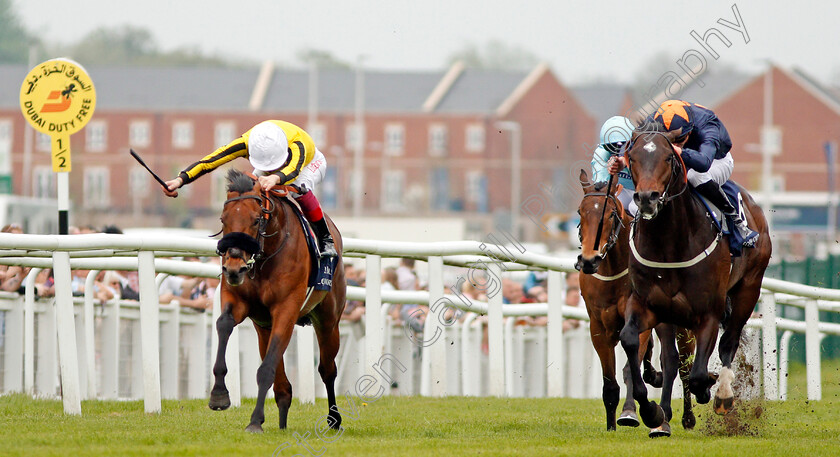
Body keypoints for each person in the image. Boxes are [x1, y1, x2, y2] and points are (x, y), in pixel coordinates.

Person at [163, 120, 336, 258]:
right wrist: (180, 180)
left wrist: (275, 177)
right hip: (279, 164)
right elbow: (210, 161)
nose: (271, 168)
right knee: (251, 189)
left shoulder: (299, 144)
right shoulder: (245, 142)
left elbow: (294, 170)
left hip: (309, 164)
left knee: (297, 188)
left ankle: (325, 237)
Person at [609, 100, 758, 247]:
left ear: (690, 131)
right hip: (678, 158)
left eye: (679, 140)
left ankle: (736, 221)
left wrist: (678, 150)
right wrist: (623, 162)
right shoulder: (654, 121)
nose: (675, 144)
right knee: (645, 195)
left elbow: (703, 163)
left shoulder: (708, 125)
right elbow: (639, 151)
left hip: (715, 161)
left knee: (695, 176)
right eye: (671, 141)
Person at [591, 116, 637, 216]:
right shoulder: (601, 154)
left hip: (640, 192)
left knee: (634, 208)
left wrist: (625, 162)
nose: (617, 149)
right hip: (619, 191)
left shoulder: (640, 148)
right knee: (604, 206)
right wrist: (611, 174)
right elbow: (601, 187)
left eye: (622, 144)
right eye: (612, 146)